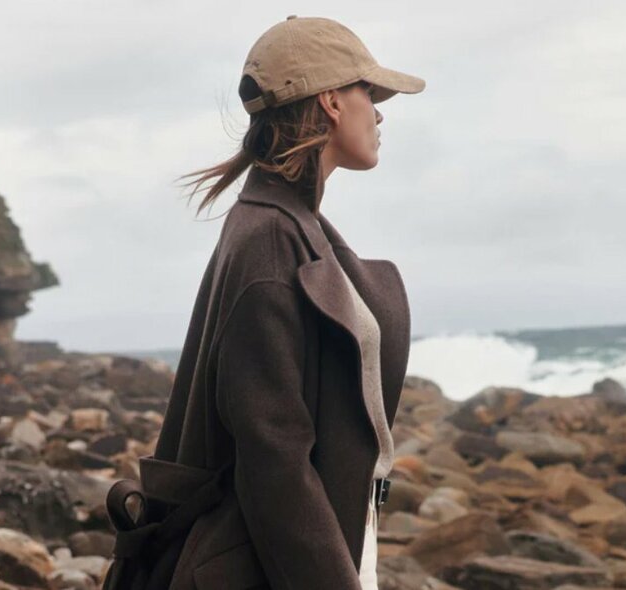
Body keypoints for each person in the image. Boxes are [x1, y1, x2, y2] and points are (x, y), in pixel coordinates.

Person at [151, 15, 425, 590]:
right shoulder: (272, 240)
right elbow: (273, 458)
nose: (377, 112)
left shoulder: (285, 226)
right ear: (330, 101)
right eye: (367, 93)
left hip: (323, 541)